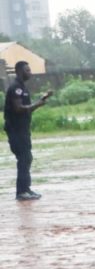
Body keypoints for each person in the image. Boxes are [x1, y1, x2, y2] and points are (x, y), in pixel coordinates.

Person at [4, 61, 53, 201]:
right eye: (27, 70)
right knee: (24, 158)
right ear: (20, 71)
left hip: (23, 130)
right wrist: (37, 105)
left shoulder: (22, 87)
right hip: (16, 130)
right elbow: (18, 109)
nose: (30, 72)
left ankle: (26, 189)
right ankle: (21, 192)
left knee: (27, 158)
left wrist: (42, 99)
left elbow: (26, 106)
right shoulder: (16, 88)